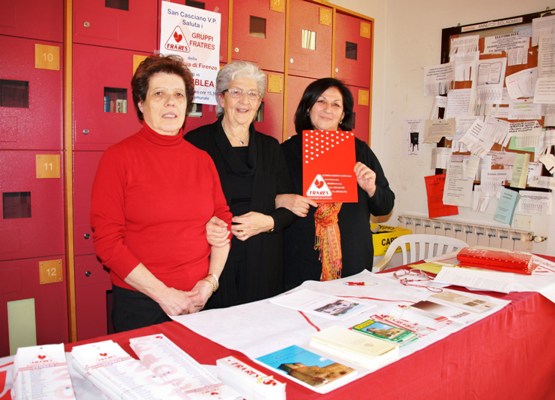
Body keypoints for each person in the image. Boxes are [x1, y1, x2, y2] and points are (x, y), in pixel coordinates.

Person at [90, 54, 231, 332]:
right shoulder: (118, 158)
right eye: (159, 94)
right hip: (142, 303)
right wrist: (163, 294)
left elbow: (223, 220)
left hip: (199, 300)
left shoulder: (202, 160)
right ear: (141, 103)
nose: (170, 102)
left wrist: (210, 282)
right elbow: (107, 242)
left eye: (178, 94)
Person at [185, 61, 297, 308]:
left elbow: (291, 208)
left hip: (263, 262)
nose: (244, 101)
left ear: (259, 103)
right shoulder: (196, 144)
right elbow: (180, 206)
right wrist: (204, 225)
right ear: (221, 98)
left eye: (252, 94)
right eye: (236, 92)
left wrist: (269, 222)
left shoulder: (271, 148)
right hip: (212, 260)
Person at [278, 77, 395, 290]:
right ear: (308, 108)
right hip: (300, 262)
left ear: (343, 115)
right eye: (321, 101)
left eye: (336, 104)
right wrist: (280, 199)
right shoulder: (286, 151)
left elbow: (385, 205)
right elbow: (265, 198)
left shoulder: (360, 151)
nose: (328, 109)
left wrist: (371, 188)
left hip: (353, 261)